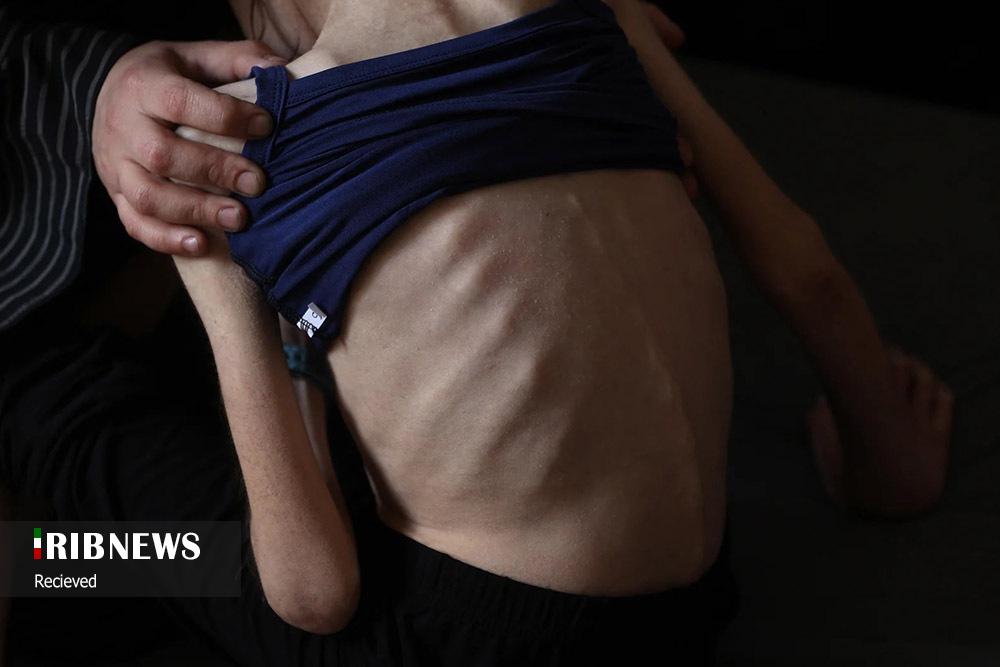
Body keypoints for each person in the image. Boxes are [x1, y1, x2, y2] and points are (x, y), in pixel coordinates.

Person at [162, 0, 954, 662]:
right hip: (691, 611)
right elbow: (805, 269)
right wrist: (892, 465)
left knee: (104, 453)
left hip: (467, 638)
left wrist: (224, 296)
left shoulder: (235, 134)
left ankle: (75, 567)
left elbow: (314, 592)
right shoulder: (602, 16)